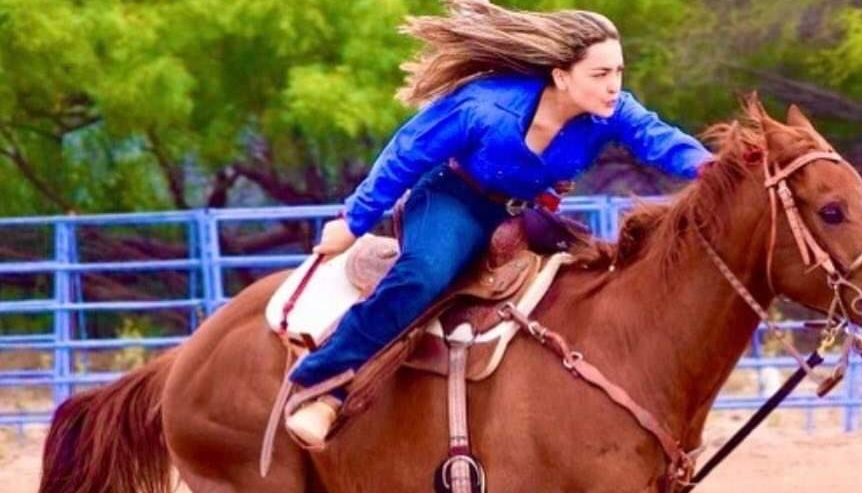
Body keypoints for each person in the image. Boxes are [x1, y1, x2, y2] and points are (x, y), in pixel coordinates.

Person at [285, 0, 714, 446]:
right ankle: (324, 382)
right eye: (600, 74)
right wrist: (353, 221)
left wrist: (716, 170)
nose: (614, 86)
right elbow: (407, 152)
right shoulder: (486, 107)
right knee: (423, 274)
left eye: (618, 72)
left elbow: (658, 139)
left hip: (523, 212)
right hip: (454, 197)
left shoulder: (612, 113)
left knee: (592, 270)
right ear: (562, 76)